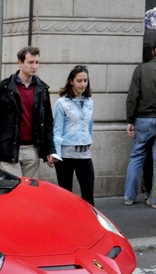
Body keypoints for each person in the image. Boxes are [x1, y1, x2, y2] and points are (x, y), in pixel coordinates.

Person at [0, 46, 55, 178]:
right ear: (20, 62)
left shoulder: (42, 89)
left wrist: (50, 149)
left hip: (32, 149)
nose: (34, 66)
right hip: (9, 147)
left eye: (37, 62)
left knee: (30, 192)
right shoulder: (4, 87)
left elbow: (48, 122)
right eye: (30, 62)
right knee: (14, 189)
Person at [123, 40, 156, 207]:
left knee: (136, 158)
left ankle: (129, 197)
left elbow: (133, 96)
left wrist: (130, 120)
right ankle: (155, 200)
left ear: (154, 51)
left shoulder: (141, 69)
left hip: (143, 119)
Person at [52, 65, 95, 205]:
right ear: (71, 81)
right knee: (65, 194)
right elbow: (57, 129)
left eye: (85, 81)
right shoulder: (62, 103)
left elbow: (89, 127)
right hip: (66, 154)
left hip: (84, 153)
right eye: (79, 81)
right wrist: (56, 154)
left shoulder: (90, 102)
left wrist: (88, 141)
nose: (83, 84)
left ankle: (89, 224)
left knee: (88, 194)